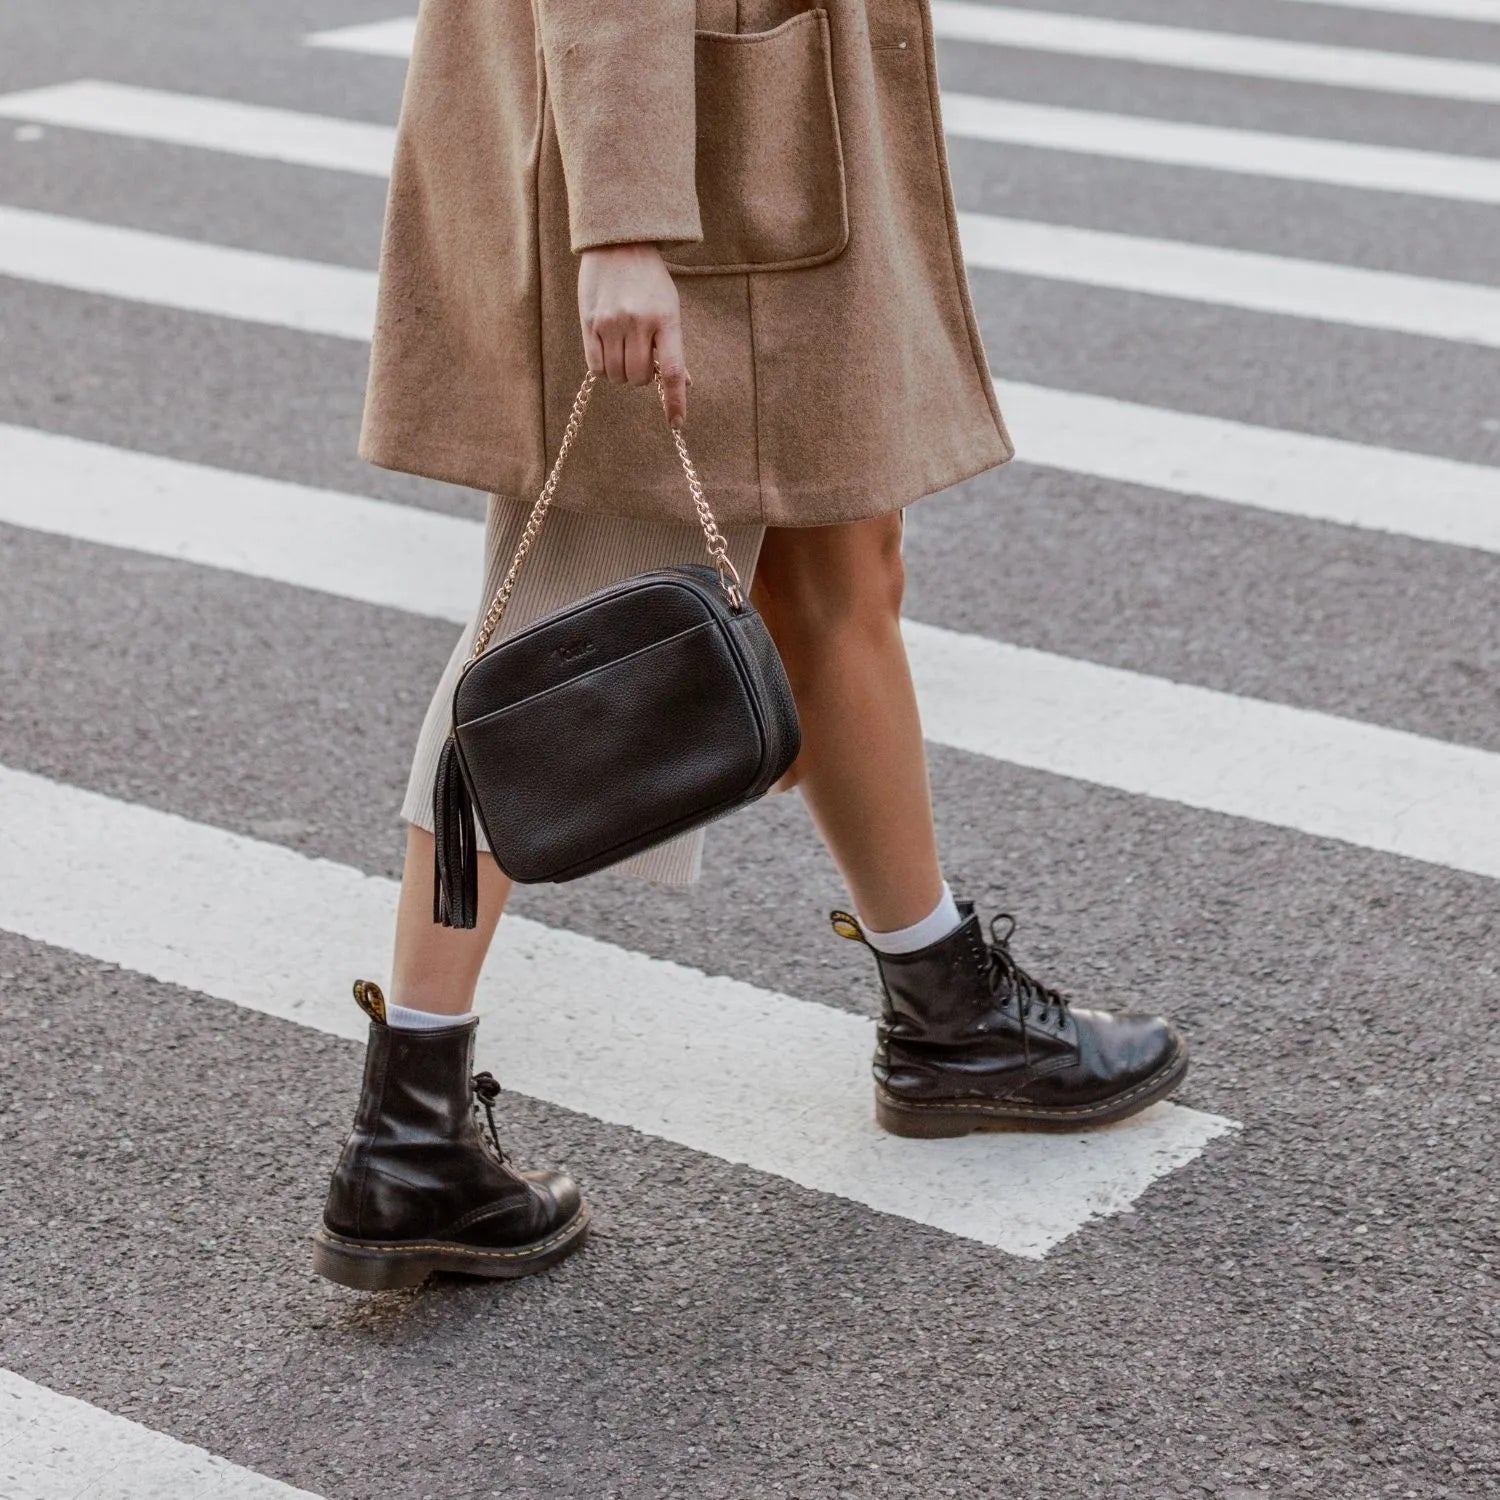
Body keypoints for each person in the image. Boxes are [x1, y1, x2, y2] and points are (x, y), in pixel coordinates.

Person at [311, 0, 1188, 1293]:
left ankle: (947, 1011)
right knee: (555, 619)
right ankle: (410, 1132)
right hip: (685, 156)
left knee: (846, 561)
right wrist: (619, 222)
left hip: (763, 141)